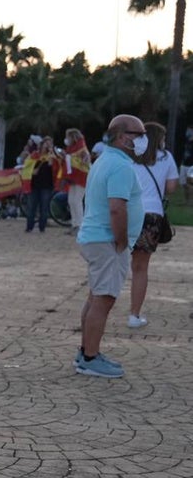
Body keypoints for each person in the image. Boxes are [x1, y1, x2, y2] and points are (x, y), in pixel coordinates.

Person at [74, 115, 146, 378]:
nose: (143, 139)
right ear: (123, 136)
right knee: (104, 299)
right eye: (139, 134)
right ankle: (90, 359)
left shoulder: (105, 159)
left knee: (96, 296)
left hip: (96, 237)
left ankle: (87, 351)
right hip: (106, 241)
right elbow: (117, 208)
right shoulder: (120, 166)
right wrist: (122, 240)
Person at [127, 121, 179, 328]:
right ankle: (134, 315)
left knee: (118, 262)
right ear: (159, 138)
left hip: (129, 213)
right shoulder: (166, 157)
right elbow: (172, 187)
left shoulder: (131, 158)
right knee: (141, 268)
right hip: (152, 215)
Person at [23, 137, 59, 233]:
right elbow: (26, 167)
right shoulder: (35, 155)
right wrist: (32, 171)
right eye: (46, 143)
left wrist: (52, 157)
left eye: (50, 144)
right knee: (31, 207)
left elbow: (55, 168)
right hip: (34, 184)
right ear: (42, 144)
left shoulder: (52, 156)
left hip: (46, 185)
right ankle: (29, 226)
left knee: (44, 207)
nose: (48, 145)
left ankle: (42, 227)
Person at [62, 128, 91, 235]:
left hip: (81, 177)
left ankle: (80, 226)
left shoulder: (81, 147)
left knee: (77, 201)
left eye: (68, 137)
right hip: (73, 177)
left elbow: (85, 160)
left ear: (72, 137)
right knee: (71, 201)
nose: (67, 139)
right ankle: (74, 224)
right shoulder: (71, 148)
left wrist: (84, 159)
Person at [181, 126, 193, 203]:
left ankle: (190, 201)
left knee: (190, 183)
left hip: (191, 165)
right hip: (184, 164)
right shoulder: (186, 141)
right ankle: (186, 201)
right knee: (183, 183)